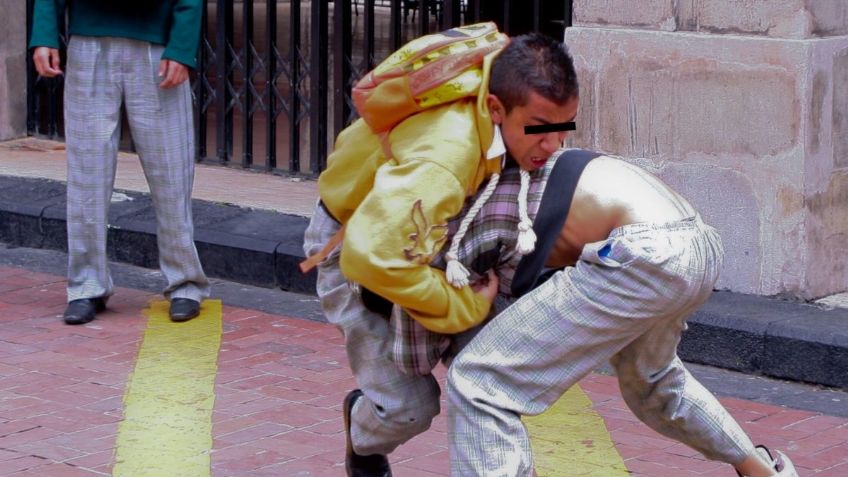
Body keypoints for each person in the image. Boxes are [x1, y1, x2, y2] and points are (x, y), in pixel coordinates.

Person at [301, 25, 579, 476]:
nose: (554, 145)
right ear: (494, 108)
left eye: (564, 127)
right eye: (540, 131)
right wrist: (465, 307)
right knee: (409, 407)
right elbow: (371, 258)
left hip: (434, 234)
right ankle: (363, 431)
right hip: (357, 244)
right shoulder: (445, 155)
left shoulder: (509, 83)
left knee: (491, 378)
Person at [420, 149, 798, 477]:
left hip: (640, 252)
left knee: (480, 382)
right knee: (654, 382)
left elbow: (457, 318)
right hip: (695, 241)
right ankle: (760, 467)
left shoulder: (475, 197)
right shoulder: (526, 155)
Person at [30, 0, 210, 325]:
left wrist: (182, 46)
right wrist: (44, 35)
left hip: (157, 46)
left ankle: (185, 283)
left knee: (171, 170)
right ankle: (86, 286)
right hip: (88, 42)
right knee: (88, 170)